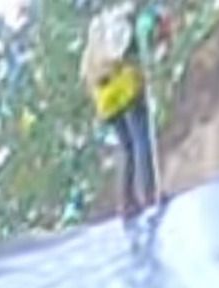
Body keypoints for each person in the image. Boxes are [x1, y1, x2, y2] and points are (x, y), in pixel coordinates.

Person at [82, 3, 169, 222]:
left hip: (104, 97)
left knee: (126, 147)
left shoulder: (96, 28)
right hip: (125, 87)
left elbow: (86, 71)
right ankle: (150, 195)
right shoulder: (128, 21)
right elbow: (139, 48)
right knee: (141, 142)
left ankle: (127, 203)